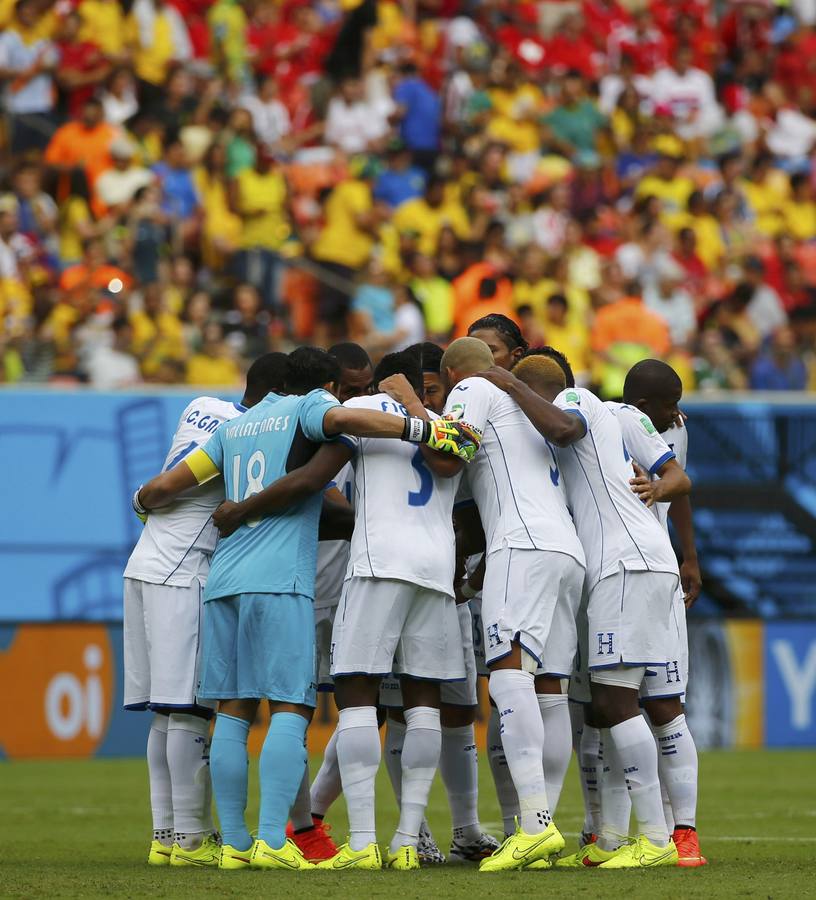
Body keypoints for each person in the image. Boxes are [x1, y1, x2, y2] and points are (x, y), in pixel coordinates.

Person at [133, 347, 478, 871]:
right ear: (327, 387)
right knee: (290, 709)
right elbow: (334, 430)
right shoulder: (311, 411)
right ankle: (274, 839)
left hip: (225, 578)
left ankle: (235, 843)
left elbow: (175, 482)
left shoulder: (234, 428)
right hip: (280, 578)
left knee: (232, 711)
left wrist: (146, 501)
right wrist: (419, 427)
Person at [477, 347, 691, 869]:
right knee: (611, 702)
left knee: (618, 703)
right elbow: (675, 474)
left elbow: (563, 428)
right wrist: (660, 485)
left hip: (626, 563)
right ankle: (623, 839)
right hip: (637, 562)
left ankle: (658, 841)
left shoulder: (574, 400)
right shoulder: (622, 417)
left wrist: (506, 383)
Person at [419, 337, 588, 872]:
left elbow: (449, 458)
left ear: (450, 376)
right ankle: (542, 831)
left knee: (510, 674)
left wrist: (413, 418)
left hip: (522, 544)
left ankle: (534, 825)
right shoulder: (528, 404)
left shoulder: (472, 389)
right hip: (567, 550)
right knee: (551, 689)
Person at [123, 352, 288, 867]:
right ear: (279, 398)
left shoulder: (201, 405)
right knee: (189, 709)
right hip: (184, 572)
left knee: (163, 712)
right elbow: (178, 485)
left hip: (144, 562)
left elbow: (158, 488)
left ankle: (166, 837)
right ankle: (191, 839)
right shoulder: (247, 435)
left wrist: (141, 500)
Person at [612, 359, 706, 867]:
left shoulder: (669, 430)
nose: (679, 412)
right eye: (671, 403)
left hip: (652, 572)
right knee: (610, 706)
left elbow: (681, 487)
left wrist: (689, 555)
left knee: (663, 702)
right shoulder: (600, 421)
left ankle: (682, 831)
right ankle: (608, 832)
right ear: (645, 404)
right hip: (612, 573)